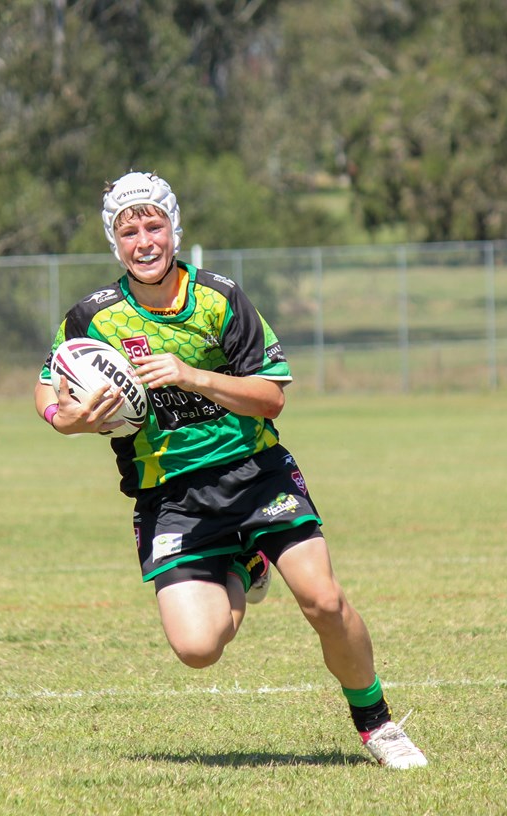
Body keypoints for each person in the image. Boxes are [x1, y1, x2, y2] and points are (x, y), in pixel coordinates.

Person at [34, 171, 428, 769]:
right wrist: (72, 420)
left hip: (254, 473)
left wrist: (191, 375)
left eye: (154, 225)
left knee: (322, 600)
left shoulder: (220, 298)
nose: (144, 241)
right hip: (169, 496)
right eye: (129, 230)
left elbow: (271, 398)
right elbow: (48, 389)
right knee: (197, 648)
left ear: (175, 229)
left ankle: (376, 724)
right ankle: (246, 562)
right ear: (114, 243)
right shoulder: (93, 318)